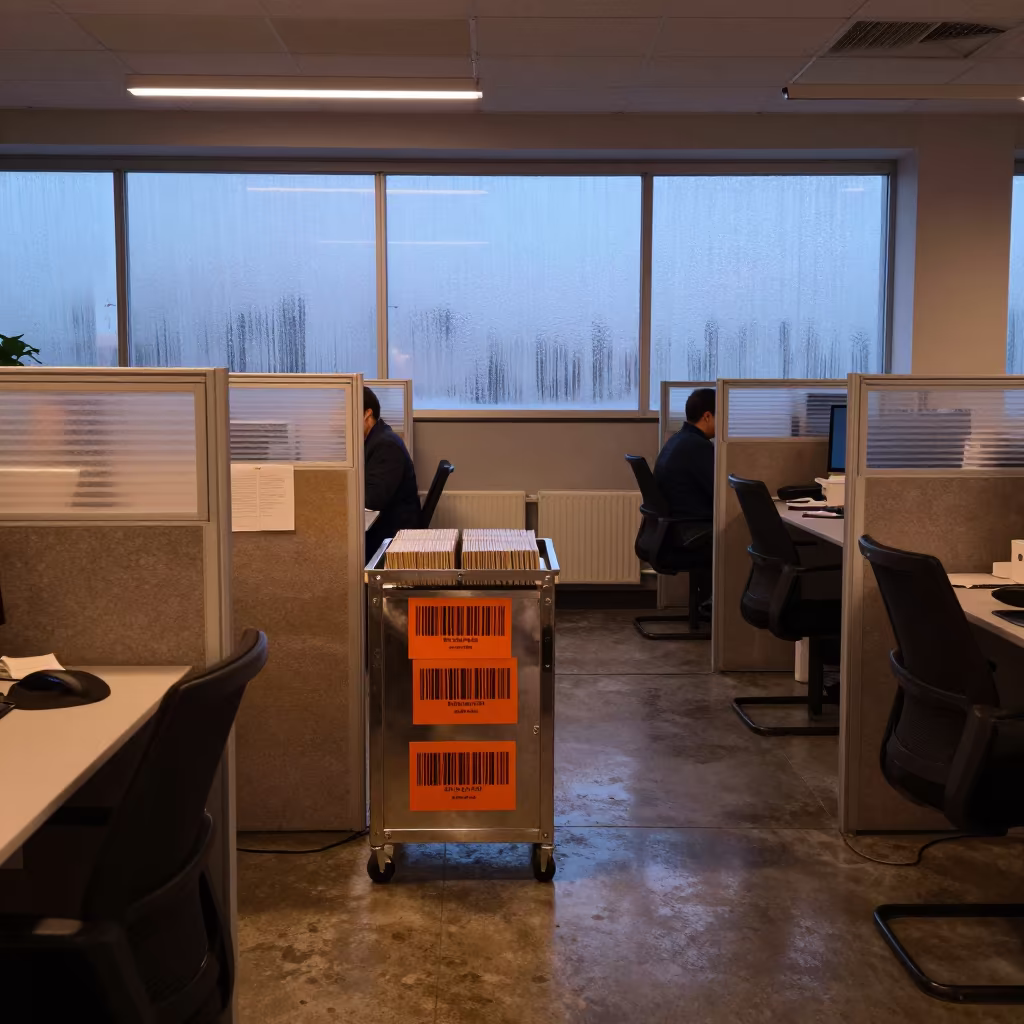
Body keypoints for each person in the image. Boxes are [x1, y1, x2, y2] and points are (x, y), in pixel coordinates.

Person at [654, 386, 716, 565]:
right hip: (690, 530)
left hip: (675, 528)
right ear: (707, 416)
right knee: (751, 537)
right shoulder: (698, 447)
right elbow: (719, 496)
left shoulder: (678, 439)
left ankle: (710, 593)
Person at [364, 386, 420, 561]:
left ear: (367, 413)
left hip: (391, 534)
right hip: (385, 526)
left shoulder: (386, 445)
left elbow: (373, 499)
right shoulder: (374, 439)